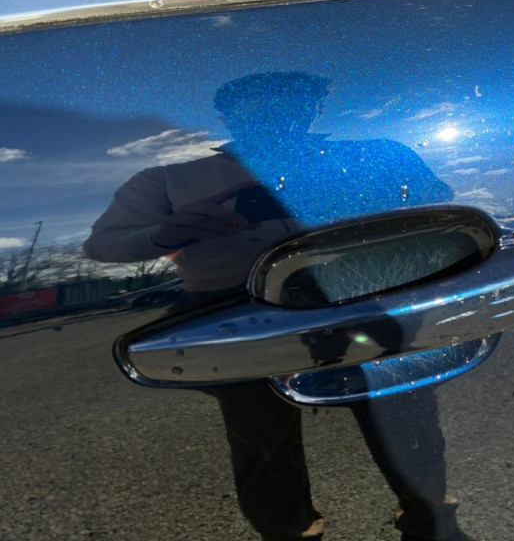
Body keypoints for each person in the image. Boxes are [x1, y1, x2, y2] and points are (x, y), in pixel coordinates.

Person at [84, 72, 472, 541]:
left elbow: (438, 200)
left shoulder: (372, 155)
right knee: (261, 435)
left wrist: (373, 193)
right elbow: (102, 244)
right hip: (232, 308)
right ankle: (291, 532)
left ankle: (430, 520)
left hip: (356, 294)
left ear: (313, 109)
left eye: (292, 100)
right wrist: (164, 233)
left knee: (404, 414)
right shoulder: (170, 178)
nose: (275, 111)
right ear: (227, 116)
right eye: (255, 104)